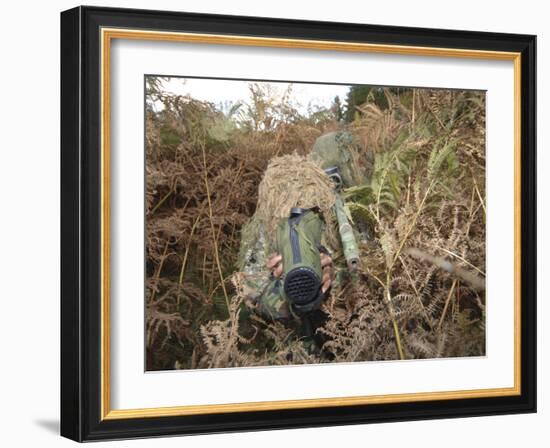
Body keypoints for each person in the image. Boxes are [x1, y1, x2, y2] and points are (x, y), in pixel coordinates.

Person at [234, 131, 370, 351]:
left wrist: (336, 278)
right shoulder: (274, 215)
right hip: (299, 344)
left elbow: (372, 268)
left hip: (361, 333)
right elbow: (251, 293)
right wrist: (288, 291)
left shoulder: (359, 210)